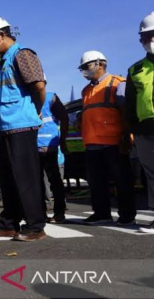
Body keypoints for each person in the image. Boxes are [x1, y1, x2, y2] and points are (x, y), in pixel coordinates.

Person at [0, 17, 47, 241]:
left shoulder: (22, 54)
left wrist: (34, 111)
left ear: (0, 34)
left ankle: (35, 226)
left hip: (22, 126)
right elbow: (7, 92)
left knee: (27, 179)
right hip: (5, 128)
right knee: (8, 179)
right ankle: (9, 223)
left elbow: (38, 86)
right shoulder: (2, 63)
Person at [78, 50, 136, 225]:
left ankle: (127, 216)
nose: (84, 71)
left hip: (113, 142)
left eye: (86, 66)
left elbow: (125, 112)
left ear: (100, 64)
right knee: (96, 182)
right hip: (92, 143)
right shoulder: (86, 90)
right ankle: (102, 214)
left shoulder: (117, 83)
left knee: (122, 180)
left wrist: (126, 136)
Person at [126, 12, 154, 233]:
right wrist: (133, 130)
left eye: (153, 35)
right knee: (151, 173)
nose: (150, 40)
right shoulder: (135, 70)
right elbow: (130, 103)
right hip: (145, 129)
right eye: (146, 37)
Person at [37, 92, 69, 223]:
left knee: (54, 180)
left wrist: (62, 140)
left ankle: (59, 213)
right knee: (37, 182)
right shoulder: (26, 97)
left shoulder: (50, 98)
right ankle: (41, 213)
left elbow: (64, 117)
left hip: (48, 146)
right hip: (32, 146)